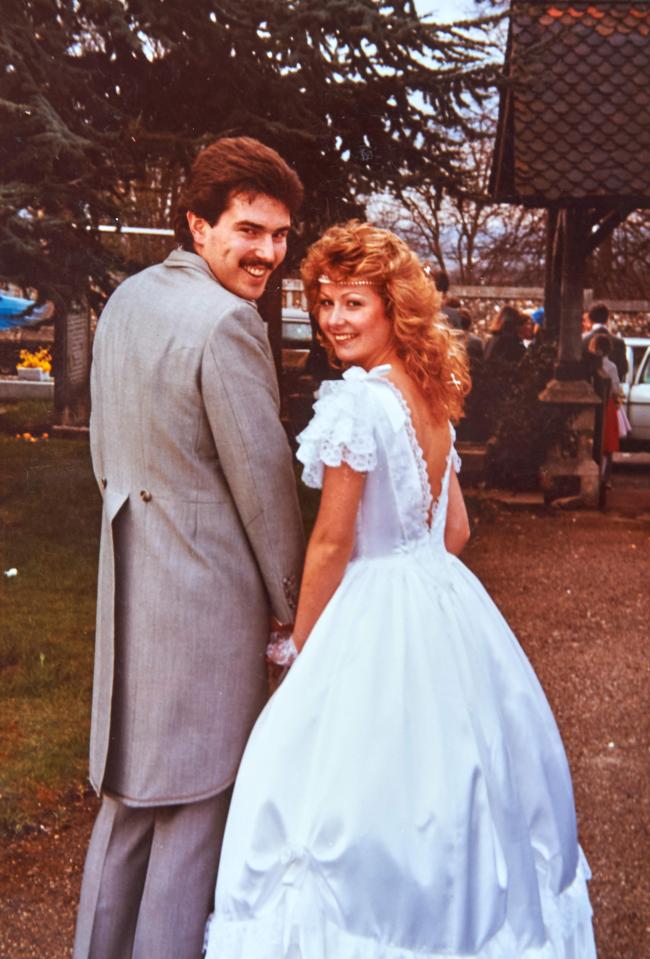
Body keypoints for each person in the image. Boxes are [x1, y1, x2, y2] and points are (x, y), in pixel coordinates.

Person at [204, 221, 596, 958]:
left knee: (332, 792)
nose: (334, 319)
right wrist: (413, 563)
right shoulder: (430, 393)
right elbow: (455, 534)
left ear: (394, 308)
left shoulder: (357, 403)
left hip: (375, 601)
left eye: (353, 303)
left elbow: (331, 540)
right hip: (441, 598)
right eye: (324, 302)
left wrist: (301, 644)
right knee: (459, 779)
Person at [73, 137, 306, 959]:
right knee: (196, 822)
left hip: (129, 589)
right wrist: (294, 607)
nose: (268, 253)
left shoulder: (128, 300)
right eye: (249, 229)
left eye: (280, 235)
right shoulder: (228, 323)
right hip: (206, 613)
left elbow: (106, 449)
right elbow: (266, 487)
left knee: (126, 816)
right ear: (197, 224)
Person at [582, 302, 628, 380]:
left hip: (588, 387)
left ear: (590, 319)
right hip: (611, 387)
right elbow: (623, 368)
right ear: (607, 318)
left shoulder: (583, 340)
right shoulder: (619, 342)